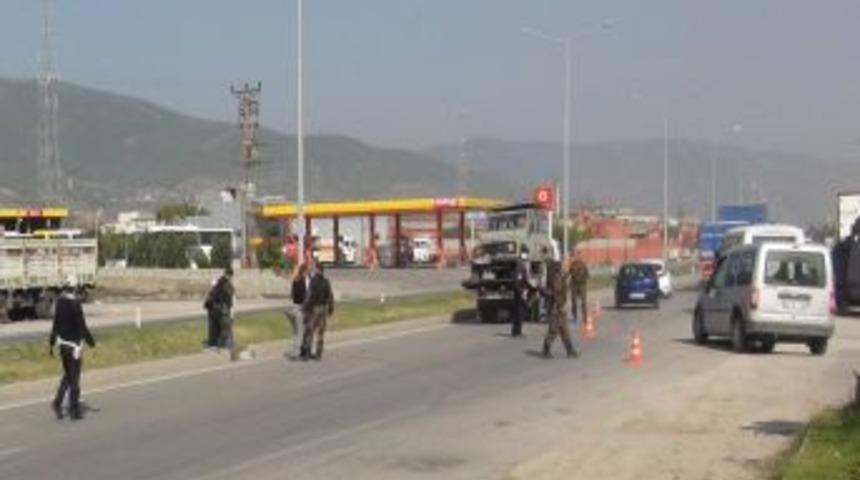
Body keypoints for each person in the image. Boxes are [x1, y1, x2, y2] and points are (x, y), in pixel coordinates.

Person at [49, 277, 96, 420]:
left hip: (62, 345)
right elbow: (82, 326)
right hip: (74, 346)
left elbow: (55, 324)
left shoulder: (60, 302)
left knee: (68, 375)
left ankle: (57, 403)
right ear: (76, 288)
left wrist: (51, 344)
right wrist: (92, 343)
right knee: (74, 379)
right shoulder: (75, 304)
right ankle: (74, 411)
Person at [542, 260, 578, 359]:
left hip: (561, 307)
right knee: (553, 330)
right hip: (557, 308)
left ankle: (570, 351)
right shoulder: (557, 278)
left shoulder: (562, 277)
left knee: (565, 330)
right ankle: (546, 349)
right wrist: (559, 305)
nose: (565, 267)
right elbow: (556, 293)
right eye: (564, 266)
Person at [301, 264, 335, 360]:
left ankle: (307, 353)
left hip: (314, 310)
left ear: (317, 270)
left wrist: (304, 308)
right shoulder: (326, 282)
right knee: (320, 332)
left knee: (309, 331)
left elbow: (309, 296)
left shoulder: (313, 282)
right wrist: (331, 309)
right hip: (323, 309)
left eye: (315, 270)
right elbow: (330, 296)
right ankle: (318, 354)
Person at [285, 264, 310, 360]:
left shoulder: (295, 280)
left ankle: (294, 350)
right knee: (300, 332)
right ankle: (296, 353)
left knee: (295, 331)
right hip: (301, 308)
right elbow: (305, 297)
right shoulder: (304, 281)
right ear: (304, 272)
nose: (308, 273)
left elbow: (292, 295)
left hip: (293, 308)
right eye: (307, 271)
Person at [210, 267, 236, 358]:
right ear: (229, 275)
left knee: (222, 329)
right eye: (231, 276)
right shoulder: (226, 285)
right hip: (225, 309)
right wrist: (231, 312)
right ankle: (231, 349)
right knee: (228, 329)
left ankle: (220, 346)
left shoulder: (219, 283)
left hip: (218, 310)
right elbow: (230, 299)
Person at [511, 255, 531, 337]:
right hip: (519, 293)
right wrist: (522, 293)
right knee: (520, 312)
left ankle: (515, 331)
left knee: (519, 312)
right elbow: (518, 282)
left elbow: (524, 280)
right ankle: (517, 331)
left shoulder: (520, 266)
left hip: (520, 292)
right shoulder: (520, 267)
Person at [568, 249, 590, 323]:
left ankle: (585, 317)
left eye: (579, 255)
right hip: (574, 285)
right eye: (577, 255)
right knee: (573, 302)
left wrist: (584, 280)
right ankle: (575, 316)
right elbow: (569, 273)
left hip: (582, 285)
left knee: (583, 302)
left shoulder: (583, 265)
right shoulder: (572, 264)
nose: (578, 256)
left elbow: (587, 275)